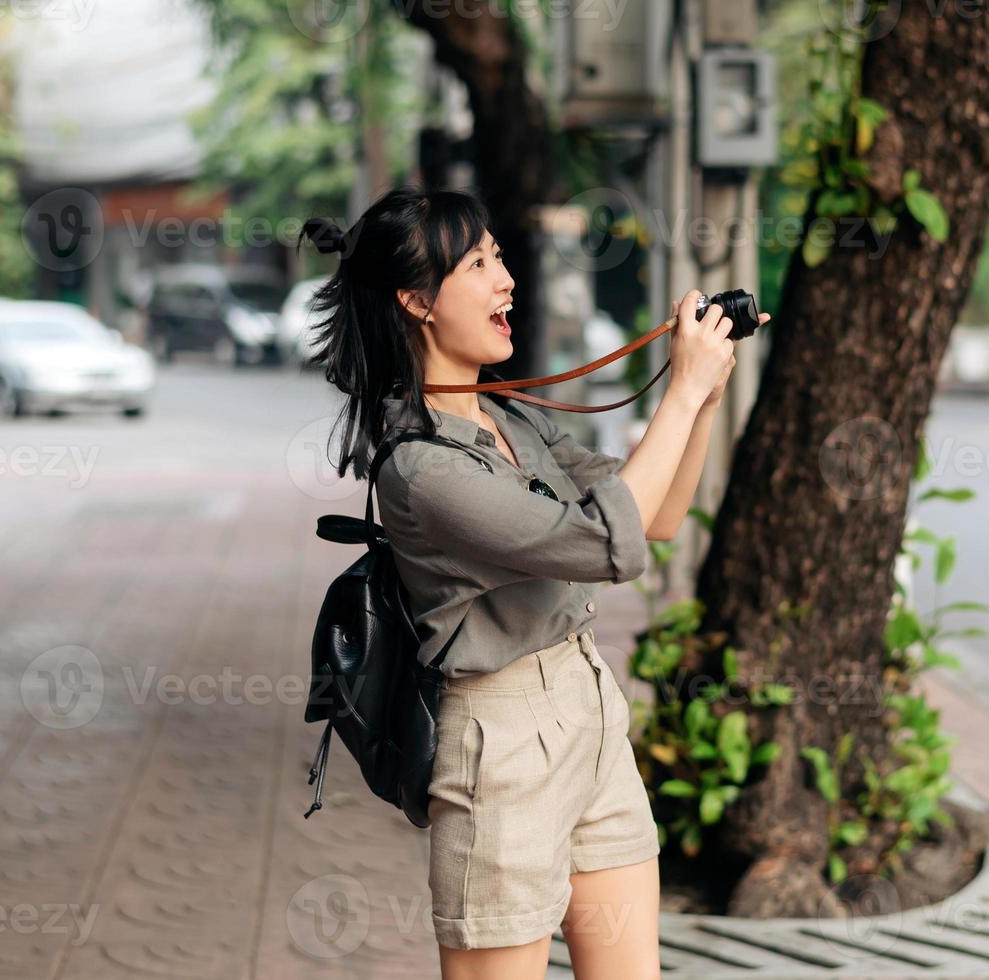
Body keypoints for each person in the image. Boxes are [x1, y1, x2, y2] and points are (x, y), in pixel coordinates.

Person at [299, 186, 769, 980]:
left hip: (587, 711)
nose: (506, 278)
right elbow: (605, 543)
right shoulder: (422, 467)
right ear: (417, 300)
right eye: (479, 263)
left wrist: (704, 399)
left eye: (499, 255)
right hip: (501, 745)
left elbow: (650, 518)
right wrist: (679, 391)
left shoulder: (513, 419)